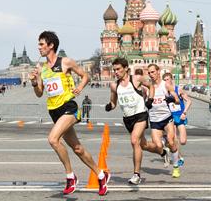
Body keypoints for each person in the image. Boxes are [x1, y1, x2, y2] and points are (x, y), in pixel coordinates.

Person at [29, 31, 110, 196]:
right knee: (78, 148)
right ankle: (101, 175)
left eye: (41, 44)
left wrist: (79, 87)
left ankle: (70, 177)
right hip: (54, 110)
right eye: (38, 44)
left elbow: (85, 76)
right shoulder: (42, 68)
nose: (39, 48)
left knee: (53, 139)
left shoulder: (65, 62)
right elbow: (39, 93)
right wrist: (33, 82)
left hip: (69, 107)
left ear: (51, 45)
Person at [105, 57, 165, 185]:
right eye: (114, 69)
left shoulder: (136, 79)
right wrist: (109, 106)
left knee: (134, 140)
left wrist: (150, 99)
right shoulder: (114, 85)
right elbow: (113, 103)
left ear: (126, 68)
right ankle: (162, 151)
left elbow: (151, 85)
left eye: (118, 69)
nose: (116, 72)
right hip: (128, 119)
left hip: (140, 115)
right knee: (143, 145)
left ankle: (136, 175)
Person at [147, 64, 181, 178]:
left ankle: (176, 167)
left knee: (171, 142)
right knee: (157, 146)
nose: (151, 75)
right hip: (154, 120)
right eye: (149, 73)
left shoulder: (165, 85)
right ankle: (164, 153)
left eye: (153, 72)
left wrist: (172, 99)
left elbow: (177, 101)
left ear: (158, 71)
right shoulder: (148, 87)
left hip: (166, 118)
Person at [162, 72, 192, 167]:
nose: (166, 81)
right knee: (174, 138)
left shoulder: (178, 89)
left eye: (168, 79)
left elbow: (189, 101)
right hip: (170, 117)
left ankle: (168, 142)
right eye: (165, 80)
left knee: (183, 141)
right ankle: (180, 158)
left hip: (180, 116)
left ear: (171, 79)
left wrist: (184, 112)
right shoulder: (163, 92)